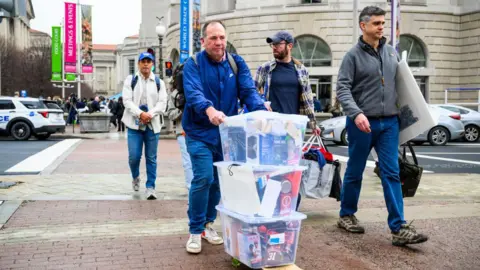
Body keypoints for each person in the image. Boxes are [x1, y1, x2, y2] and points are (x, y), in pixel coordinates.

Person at [335, 6, 428, 246]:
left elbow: (401, 86)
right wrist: (356, 114)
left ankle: (398, 227)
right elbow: (343, 88)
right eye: (376, 23)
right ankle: (346, 215)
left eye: (382, 23)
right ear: (363, 26)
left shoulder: (391, 53)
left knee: (392, 172)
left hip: (389, 123)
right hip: (361, 123)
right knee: (355, 172)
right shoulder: (352, 56)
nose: (381, 27)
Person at [182, 20, 266, 254]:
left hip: (228, 133)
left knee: (220, 181)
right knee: (204, 177)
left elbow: (248, 91)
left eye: (221, 38)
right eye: (213, 38)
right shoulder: (194, 63)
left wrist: (260, 110)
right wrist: (209, 110)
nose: (219, 42)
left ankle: (208, 224)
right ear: (203, 41)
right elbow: (193, 93)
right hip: (199, 132)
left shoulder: (236, 62)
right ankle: (195, 230)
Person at [254, 30, 321, 211]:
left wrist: (313, 124)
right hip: (269, 129)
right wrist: (261, 104)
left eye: (278, 44)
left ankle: (289, 207)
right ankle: (268, 208)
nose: (274, 47)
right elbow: (252, 93)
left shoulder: (301, 70)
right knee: (269, 171)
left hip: (293, 131)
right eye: (272, 45)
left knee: (291, 171)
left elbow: (307, 100)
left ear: (289, 46)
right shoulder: (265, 69)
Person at [122, 52, 167, 200]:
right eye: (143, 61)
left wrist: (150, 114)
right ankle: (135, 177)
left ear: (152, 64)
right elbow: (127, 101)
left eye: (149, 61)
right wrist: (141, 113)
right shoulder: (131, 80)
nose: (146, 64)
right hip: (134, 125)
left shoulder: (159, 82)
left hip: (152, 125)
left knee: (151, 158)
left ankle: (150, 187)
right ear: (139, 64)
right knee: (134, 157)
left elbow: (162, 103)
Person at [166, 69, 193, 190]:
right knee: (188, 162)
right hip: (182, 131)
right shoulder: (174, 95)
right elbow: (170, 114)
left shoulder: (196, 89)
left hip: (197, 131)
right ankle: (191, 188)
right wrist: (181, 109)